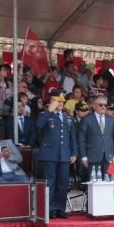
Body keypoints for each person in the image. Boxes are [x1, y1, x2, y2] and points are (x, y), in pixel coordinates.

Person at [34, 90, 78, 219]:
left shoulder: (68, 117)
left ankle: (60, 208)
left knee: (63, 183)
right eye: (58, 100)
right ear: (52, 101)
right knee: (50, 182)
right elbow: (39, 125)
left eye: (62, 101)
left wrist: (74, 152)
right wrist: (49, 110)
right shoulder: (46, 115)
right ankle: (50, 209)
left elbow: (72, 137)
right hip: (49, 154)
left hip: (64, 154)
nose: (61, 103)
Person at [78, 95, 114, 177]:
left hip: (109, 157)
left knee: (109, 184)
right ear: (94, 106)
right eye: (101, 105)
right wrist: (83, 156)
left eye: (105, 105)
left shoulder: (112, 120)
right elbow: (81, 139)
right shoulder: (87, 119)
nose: (103, 107)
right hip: (93, 156)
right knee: (94, 184)